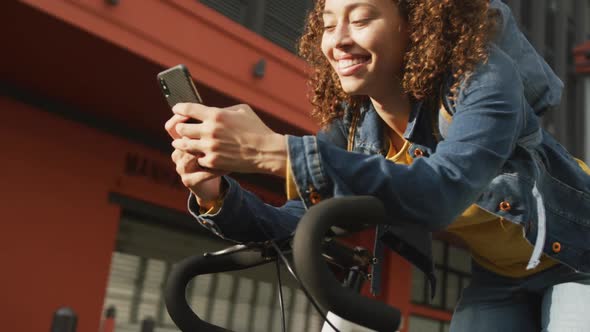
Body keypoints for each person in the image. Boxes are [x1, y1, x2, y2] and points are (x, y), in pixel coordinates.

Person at [165, 0, 590, 330]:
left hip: (581, 253)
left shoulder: (482, 76)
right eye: (330, 24)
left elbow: (444, 189)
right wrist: (216, 195)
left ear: (414, 23)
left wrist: (272, 151)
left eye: (362, 19)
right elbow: (304, 221)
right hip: (500, 275)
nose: (338, 40)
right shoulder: (355, 126)